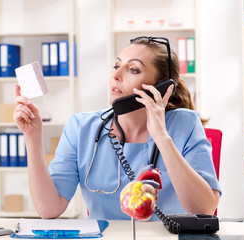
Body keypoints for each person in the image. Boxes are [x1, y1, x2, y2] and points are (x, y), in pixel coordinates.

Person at [13, 36, 221, 221]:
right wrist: (32, 137)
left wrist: (162, 138)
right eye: (116, 66)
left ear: (161, 87)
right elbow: (49, 209)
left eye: (133, 69)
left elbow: (204, 209)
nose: (116, 75)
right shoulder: (81, 127)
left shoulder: (185, 124)